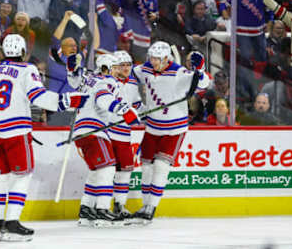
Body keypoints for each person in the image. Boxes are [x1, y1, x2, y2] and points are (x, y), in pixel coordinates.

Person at [0, 34, 88, 241]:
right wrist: (69, 100)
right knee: (22, 176)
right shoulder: (27, 70)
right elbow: (39, 98)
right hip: (16, 133)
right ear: (21, 51)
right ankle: (12, 222)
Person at [131, 41, 210, 224]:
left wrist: (200, 70)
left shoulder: (179, 73)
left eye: (157, 59)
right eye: (151, 57)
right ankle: (144, 205)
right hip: (152, 126)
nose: (153, 61)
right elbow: (129, 76)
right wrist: (135, 104)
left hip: (174, 129)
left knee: (161, 166)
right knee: (146, 167)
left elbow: (203, 84)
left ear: (166, 58)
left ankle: (151, 207)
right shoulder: (146, 69)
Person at [66, 53, 140, 227]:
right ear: (106, 68)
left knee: (96, 171)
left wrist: (72, 71)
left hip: (81, 130)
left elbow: (75, 82)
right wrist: (124, 111)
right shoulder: (106, 81)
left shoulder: (88, 80)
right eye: (114, 68)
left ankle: (86, 211)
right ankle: (102, 211)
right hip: (94, 129)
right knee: (108, 169)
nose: (117, 71)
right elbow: (103, 99)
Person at [109, 50, 143, 219]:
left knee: (126, 170)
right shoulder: (107, 82)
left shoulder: (133, 84)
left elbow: (136, 105)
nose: (126, 68)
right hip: (107, 133)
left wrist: (148, 111)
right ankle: (98, 206)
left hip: (123, 134)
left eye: (128, 65)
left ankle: (119, 205)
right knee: (106, 171)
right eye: (122, 65)